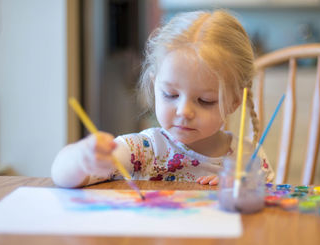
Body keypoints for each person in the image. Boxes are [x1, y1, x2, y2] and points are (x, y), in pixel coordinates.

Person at [51, 10, 274, 188]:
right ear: (155, 84)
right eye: (171, 95)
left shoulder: (250, 158)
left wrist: (247, 188)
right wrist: (81, 159)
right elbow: (62, 176)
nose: (184, 111)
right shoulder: (146, 149)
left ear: (235, 101)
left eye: (205, 100)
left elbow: (271, 213)